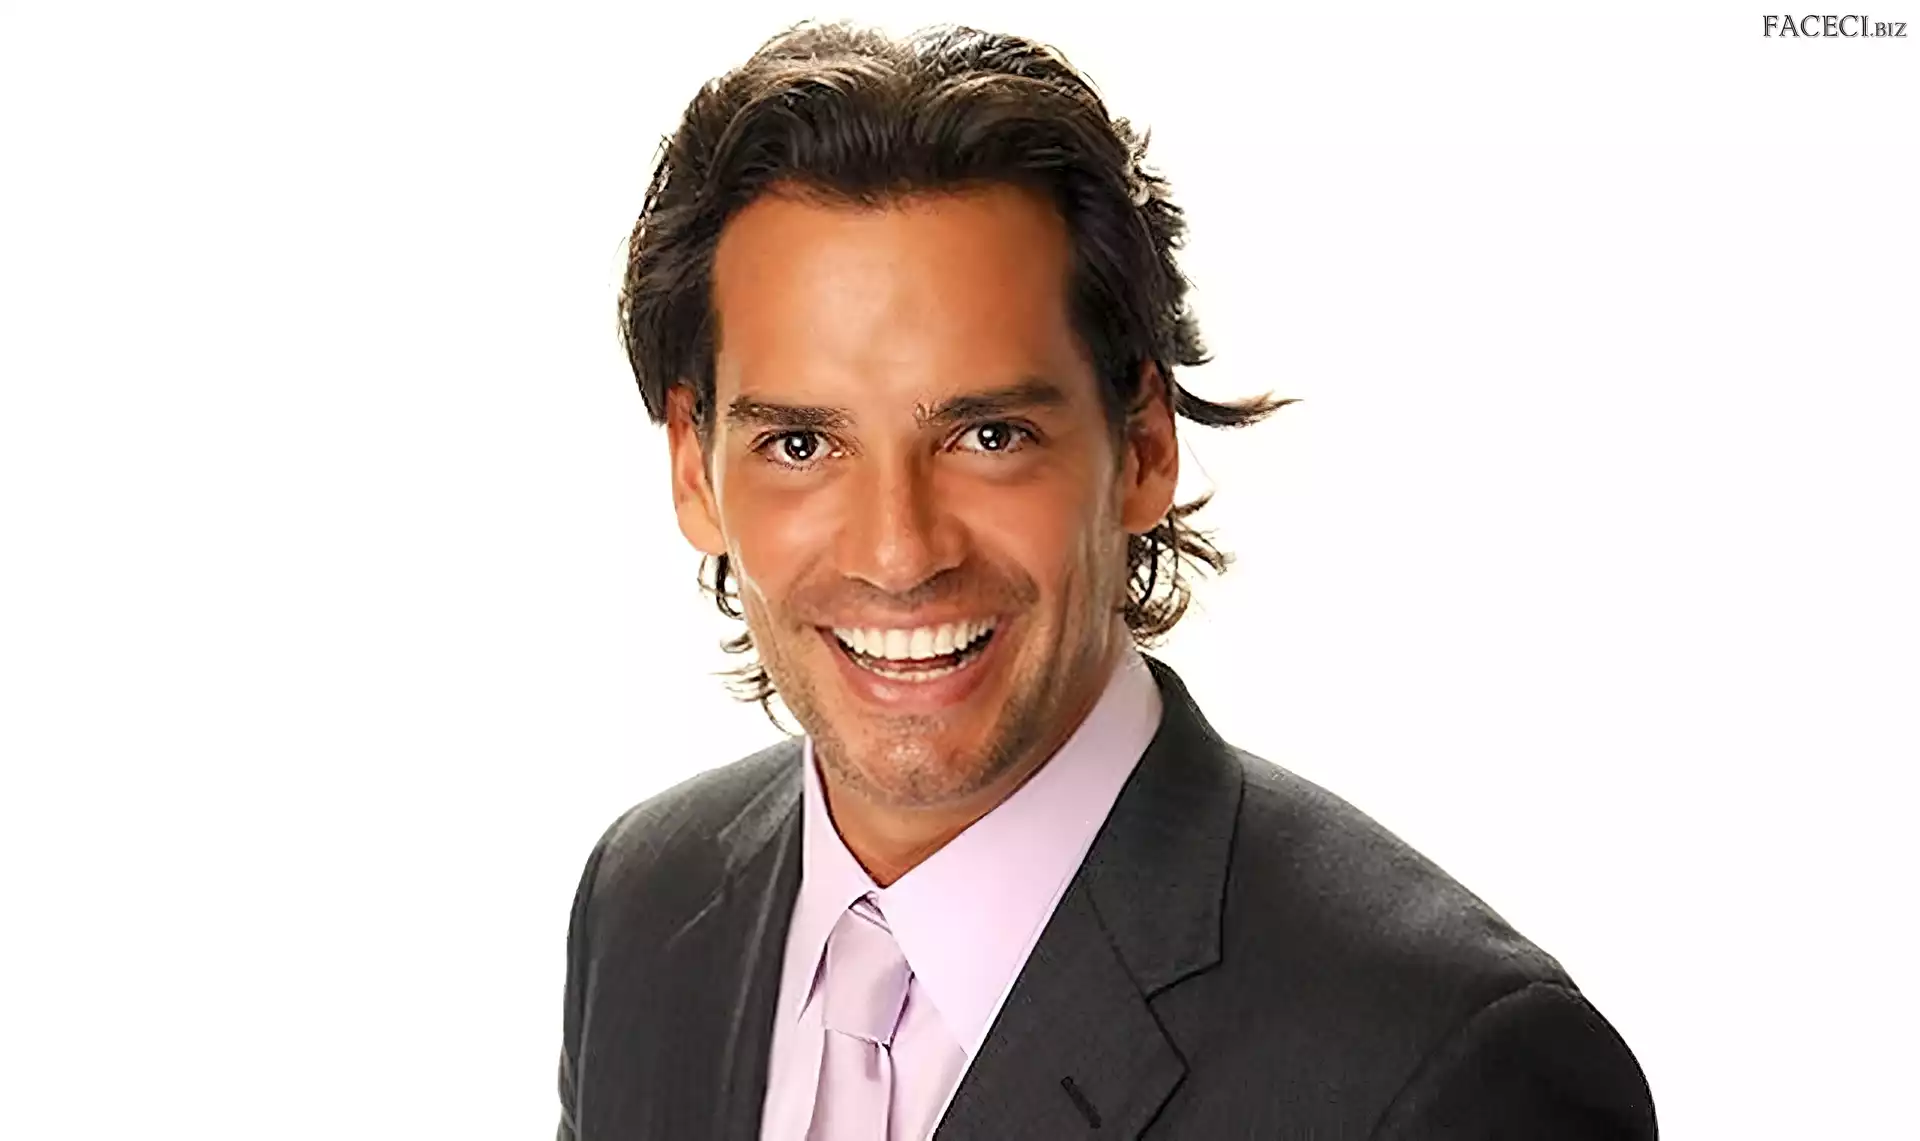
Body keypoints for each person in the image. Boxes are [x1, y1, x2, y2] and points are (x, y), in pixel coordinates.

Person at [555, 21, 1656, 1141]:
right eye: (801, 444)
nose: (899, 552)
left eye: (988, 436)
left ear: (1144, 447)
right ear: (693, 468)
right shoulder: (643, 905)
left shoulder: (1450, 1068)